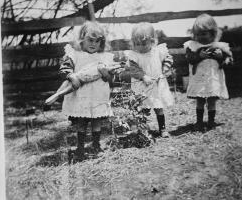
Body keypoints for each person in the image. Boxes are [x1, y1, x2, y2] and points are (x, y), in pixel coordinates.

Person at [56, 21, 116, 162]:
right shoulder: (75, 54)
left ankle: (96, 145)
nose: (93, 44)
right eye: (90, 40)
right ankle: (80, 147)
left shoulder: (105, 57)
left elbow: (109, 79)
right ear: (82, 38)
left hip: (97, 95)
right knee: (82, 121)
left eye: (97, 41)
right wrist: (71, 76)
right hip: (81, 95)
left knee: (96, 120)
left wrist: (105, 73)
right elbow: (65, 68)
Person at [184, 14, 233, 131]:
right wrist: (198, 56)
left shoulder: (219, 46)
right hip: (199, 78)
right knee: (200, 99)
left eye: (204, 33)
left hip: (212, 78)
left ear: (212, 33)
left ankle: (211, 121)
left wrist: (221, 57)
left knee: (211, 100)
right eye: (198, 34)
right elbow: (189, 59)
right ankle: (199, 122)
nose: (200, 37)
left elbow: (229, 61)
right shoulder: (193, 46)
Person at [125, 22, 174, 137]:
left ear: (152, 41)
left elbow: (168, 59)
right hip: (142, 86)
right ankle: (142, 130)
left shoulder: (158, 51)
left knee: (158, 106)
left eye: (143, 44)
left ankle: (162, 129)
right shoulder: (133, 55)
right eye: (136, 44)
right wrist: (143, 76)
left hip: (156, 84)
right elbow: (133, 69)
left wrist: (165, 69)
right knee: (142, 108)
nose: (140, 47)